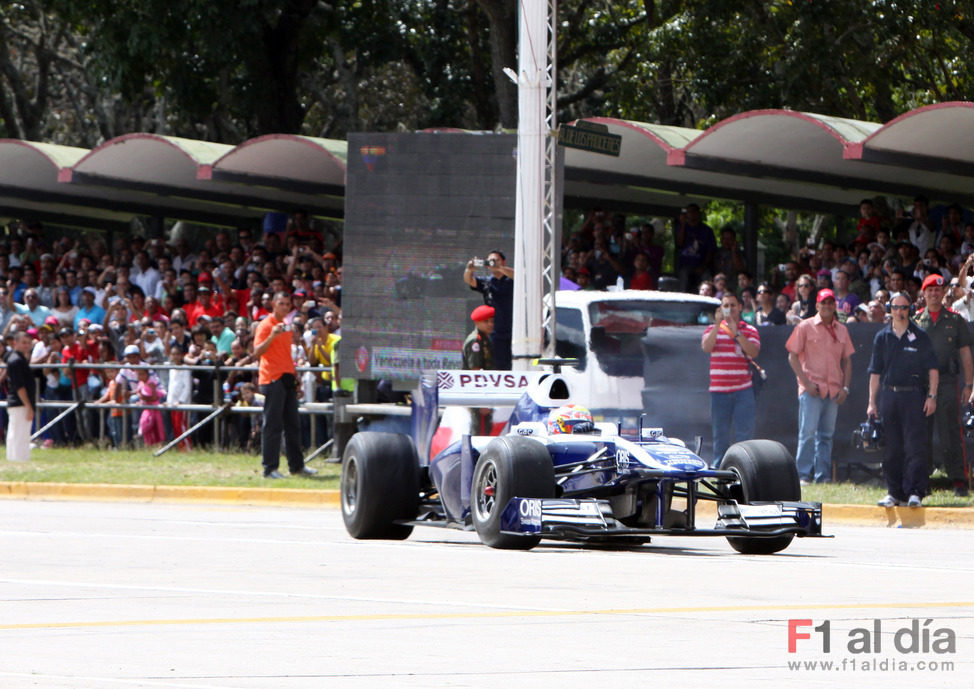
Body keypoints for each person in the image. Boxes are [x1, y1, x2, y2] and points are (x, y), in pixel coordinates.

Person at [867, 291, 939, 508]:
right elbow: (875, 372)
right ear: (890, 309)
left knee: (915, 445)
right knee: (892, 446)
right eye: (895, 307)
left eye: (904, 307)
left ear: (910, 309)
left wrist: (932, 396)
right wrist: (871, 402)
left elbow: (933, 369)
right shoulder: (882, 336)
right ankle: (894, 492)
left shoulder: (920, 335)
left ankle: (915, 491)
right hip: (890, 394)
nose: (900, 311)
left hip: (914, 394)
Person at [913, 273, 974, 497]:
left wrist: (969, 383)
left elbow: (965, 353)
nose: (934, 294)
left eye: (938, 290)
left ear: (944, 292)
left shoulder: (955, 319)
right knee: (922, 432)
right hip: (921, 385)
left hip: (948, 382)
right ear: (924, 293)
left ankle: (958, 479)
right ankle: (923, 479)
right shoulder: (916, 321)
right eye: (929, 290)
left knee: (951, 430)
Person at [785, 288, 855, 484]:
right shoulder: (805, 326)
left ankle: (822, 476)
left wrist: (845, 388)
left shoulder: (842, 329)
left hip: (833, 390)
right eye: (823, 303)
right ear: (817, 305)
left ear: (835, 306)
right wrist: (806, 383)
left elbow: (847, 361)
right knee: (807, 434)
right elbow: (792, 357)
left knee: (826, 436)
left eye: (830, 303)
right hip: (812, 390)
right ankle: (803, 475)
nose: (826, 306)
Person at [253, 291, 316, 478]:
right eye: (281, 303)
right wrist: (272, 335)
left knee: (293, 424)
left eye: (287, 304)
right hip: (272, 378)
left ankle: (296, 466)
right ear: (273, 304)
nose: (285, 307)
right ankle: (269, 468)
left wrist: (296, 379)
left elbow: (286, 355)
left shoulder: (287, 327)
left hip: (287, 377)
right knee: (272, 425)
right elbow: (257, 352)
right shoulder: (265, 325)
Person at [701, 292, 760, 467]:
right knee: (721, 436)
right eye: (726, 306)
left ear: (740, 307)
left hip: (743, 390)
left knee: (744, 435)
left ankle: (746, 468)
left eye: (733, 305)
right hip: (718, 392)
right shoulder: (711, 329)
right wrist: (718, 324)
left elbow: (754, 352)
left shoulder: (750, 330)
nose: (730, 309)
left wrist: (737, 334)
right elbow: (706, 347)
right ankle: (720, 471)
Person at [463, 250, 514, 370]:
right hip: (494, 330)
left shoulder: (511, 279)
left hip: (513, 329)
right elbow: (470, 281)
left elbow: (518, 275)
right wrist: (469, 269)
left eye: (496, 260)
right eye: (490, 261)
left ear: (503, 261)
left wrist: (500, 268)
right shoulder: (488, 282)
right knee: (496, 364)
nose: (493, 263)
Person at [5, 331, 35, 461]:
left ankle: (14, 458)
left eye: (28, 343)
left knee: (17, 433)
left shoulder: (18, 358)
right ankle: (18, 460)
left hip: (18, 402)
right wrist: (28, 406)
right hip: (20, 403)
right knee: (19, 434)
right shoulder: (16, 360)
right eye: (23, 342)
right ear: (15, 343)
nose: (26, 345)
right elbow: (19, 386)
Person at [675, 203, 716, 292]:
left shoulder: (707, 230)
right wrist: (683, 224)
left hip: (701, 265)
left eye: (694, 212)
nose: (691, 214)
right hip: (685, 265)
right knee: (683, 276)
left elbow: (711, 250)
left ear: (698, 213)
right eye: (689, 212)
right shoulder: (682, 228)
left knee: (707, 277)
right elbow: (679, 243)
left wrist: (703, 266)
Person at [462, 305, 494, 370]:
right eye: (486, 321)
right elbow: (475, 368)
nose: (490, 324)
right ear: (477, 322)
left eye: (492, 321)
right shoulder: (475, 340)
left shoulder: (485, 338)